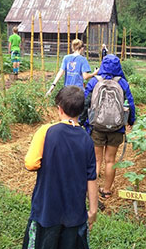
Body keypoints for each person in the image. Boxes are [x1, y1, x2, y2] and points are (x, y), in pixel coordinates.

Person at [23, 86, 98, 249]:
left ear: (59, 109)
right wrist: (93, 209)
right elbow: (91, 177)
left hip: (46, 208)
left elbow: (30, 163)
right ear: (81, 109)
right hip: (74, 211)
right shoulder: (86, 139)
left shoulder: (46, 131)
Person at [83, 54, 135, 199]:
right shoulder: (123, 83)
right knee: (110, 160)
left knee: (97, 160)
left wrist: (83, 121)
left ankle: (90, 191)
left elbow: (86, 101)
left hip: (97, 126)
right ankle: (106, 191)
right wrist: (131, 121)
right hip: (117, 127)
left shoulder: (95, 81)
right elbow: (130, 103)